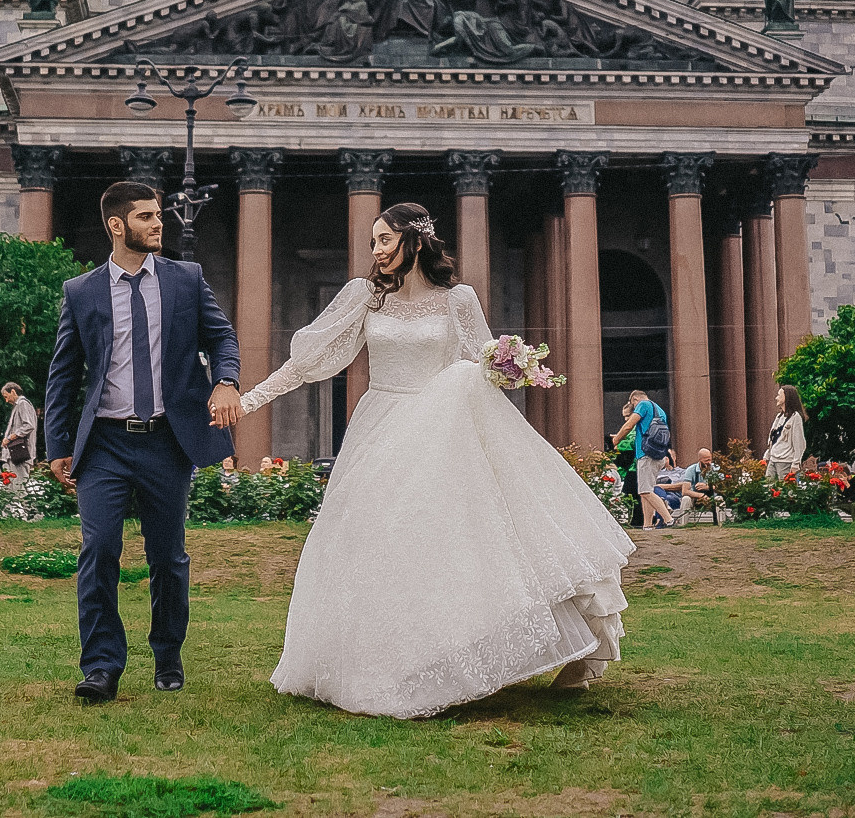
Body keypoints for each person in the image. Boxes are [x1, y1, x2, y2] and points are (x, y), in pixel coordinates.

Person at [235, 203, 633, 718]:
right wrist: (248, 401)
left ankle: (519, 648)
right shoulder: (365, 298)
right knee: (370, 544)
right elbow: (306, 364)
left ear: (415, 242)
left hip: (443, 430)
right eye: (373, 242)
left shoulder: (457, 300)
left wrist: (513, 367)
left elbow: (483, 359)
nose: (375, 251)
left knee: (460, 542)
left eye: (384, 240)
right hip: (380, 426)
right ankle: (380, 661)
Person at [43, 180, 243, 704]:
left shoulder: (185, 279)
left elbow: (221, 336)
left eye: (161, 215)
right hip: (105, 443)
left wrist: (226, 381)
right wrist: (57, 444)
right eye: (149, 217)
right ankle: (102, 666)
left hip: (165, 440)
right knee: (99, 550)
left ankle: (167, 652)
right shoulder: (81, 291)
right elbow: (64, 374)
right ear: (117, 225)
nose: (160, 224)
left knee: (168, 557)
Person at [610, 390, 673, 529]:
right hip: (659, 454)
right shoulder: (660, 410)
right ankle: (647, 524)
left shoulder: (643, 404)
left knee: (645, 491)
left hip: (645, 454)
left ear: (635, 399)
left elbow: (628, 426)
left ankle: (667, 518)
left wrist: (615, 440)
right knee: (646, 490)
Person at [0, 380, 39, 486]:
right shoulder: (19, 405)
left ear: (13, 391)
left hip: (20, 453)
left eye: (6, 396)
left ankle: (24, 503)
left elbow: (29, 425)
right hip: (16, 453)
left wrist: (11, 437)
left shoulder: (23, 404)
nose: (6, 401)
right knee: (14, 487)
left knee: (19, 486)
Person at [764, 385, 808, 476]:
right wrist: (767, 455)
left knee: (785, 488)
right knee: (768, 486)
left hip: (786, 462)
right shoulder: (779, 416)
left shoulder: (795, 417)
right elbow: (773, 438)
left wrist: (796, 463)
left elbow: (799, 442)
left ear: (787, 397)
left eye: (779, 395)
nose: (776, 398)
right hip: (773, 459)